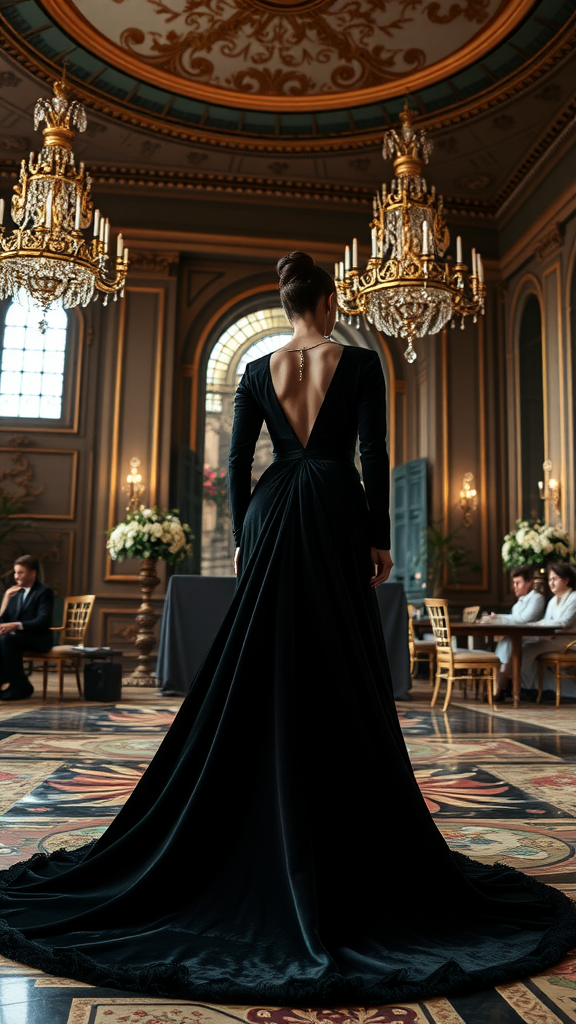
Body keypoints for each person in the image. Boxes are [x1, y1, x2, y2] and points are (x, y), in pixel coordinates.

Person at [0, 253, 575, 1005]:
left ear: (286, 302)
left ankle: (258, 790)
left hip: (273, 511)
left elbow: (237, 459)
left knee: (266, 651)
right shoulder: (361, 362)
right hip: (336, 506)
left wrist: (244, 533)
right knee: (337, 654)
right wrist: (378, 535)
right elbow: (373, 453)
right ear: (330, 300)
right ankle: (340, 802)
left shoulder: (257, 369)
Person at [481, 565, 545, 702]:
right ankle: (501, 684)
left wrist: (498, 618)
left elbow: (523, 620)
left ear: (529, 583)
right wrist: (496, 618)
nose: (514, 586)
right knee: (506, 640)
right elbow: (512, 618)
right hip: (519, 638)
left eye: (518, 583)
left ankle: (500, 686)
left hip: (534, 638)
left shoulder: (537, 599)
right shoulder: (517, 604)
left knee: (509, 641)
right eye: (513, 583)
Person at [0, 555, 53, 701]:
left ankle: (19, 686)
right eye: (15, 572)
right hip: (18, 638)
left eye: (20, 572)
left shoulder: (44, 592)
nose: (16, 577)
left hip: (38, 638)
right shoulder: (15, 592)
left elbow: (43, 621)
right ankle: (10, 682)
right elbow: (3, 619)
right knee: (3, 637)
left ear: (33, 573)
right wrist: (6, 598)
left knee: (7, 639)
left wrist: (16, 625)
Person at [520, 562, 576, 698]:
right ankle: (534, 687)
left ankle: (526, 689)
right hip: (554, 639)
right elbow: (547, 622)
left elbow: (565, 622)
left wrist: (540, 624)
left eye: (554, 579)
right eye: (549, 580)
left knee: (527, 649)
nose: (550, 583)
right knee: (523, 646)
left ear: (565, 580)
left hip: (569, 641)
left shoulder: (574, 597)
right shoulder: (552, 601)